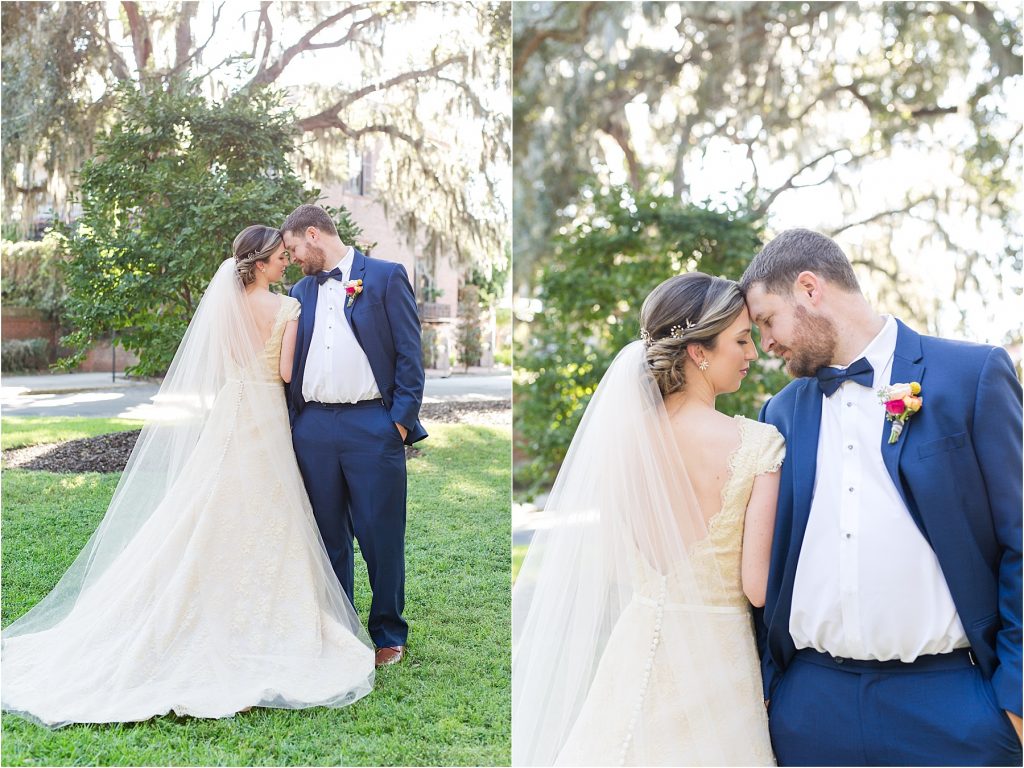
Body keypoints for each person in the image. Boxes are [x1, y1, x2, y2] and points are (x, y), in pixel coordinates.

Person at [1, 225, 374, 728]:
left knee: (211, 501)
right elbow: (287, 375)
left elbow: (220, 365)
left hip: (230, 412)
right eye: (279, 257)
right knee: (266, 509)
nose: (286, 262)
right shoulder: (287, 309)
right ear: (261, 263)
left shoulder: (222, 306)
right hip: (264, 414)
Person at [741, 228, 1023, 766]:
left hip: (954, 708)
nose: (765, 344)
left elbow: (1021, 542)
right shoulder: (780, 413)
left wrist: (1013, 707)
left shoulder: (972, 376)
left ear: (809, 288)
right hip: (811, 709)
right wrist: (778, 693)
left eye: (766, 321)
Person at [513, 273, 783, 766]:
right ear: (699, 351)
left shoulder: (622, 444)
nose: (753, 353)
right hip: (719, 664)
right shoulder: (759, 445)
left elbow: (618, 561)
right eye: (741, 340)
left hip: (636, 649)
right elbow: (758, 587)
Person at [281, 204, 426, 667]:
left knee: (380, 533)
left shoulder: (384, 277)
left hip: (372, 425)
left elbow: (409, 355)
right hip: (314, 428)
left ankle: (388, 632)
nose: (293, 259)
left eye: (293, 249)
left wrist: (398, 423)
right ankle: (339, 629)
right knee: (327, 536)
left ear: (313, 235)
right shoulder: (299, 291)